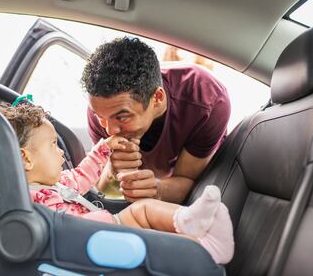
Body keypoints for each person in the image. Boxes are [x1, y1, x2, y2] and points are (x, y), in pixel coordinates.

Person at [0, 102, 234, 264]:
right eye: (52, 145)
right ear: (26, 159)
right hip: (87, 241)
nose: (60, 153)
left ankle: (200, 236)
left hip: (99, 230)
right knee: (144, 211)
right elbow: (55, 234)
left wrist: (103, 148)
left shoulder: (58, 183)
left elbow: (82, 175)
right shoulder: (27, 200)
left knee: (146, 213)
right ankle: (202, 240)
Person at [81, 37, 231, 203]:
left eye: (122, 117)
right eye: (100, 116)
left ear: (158, 97)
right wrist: (113, 172)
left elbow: (188, 182)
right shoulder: (104, 108)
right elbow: (103, 190)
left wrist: (156, 190)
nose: (110, 130)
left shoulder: (205, 99)